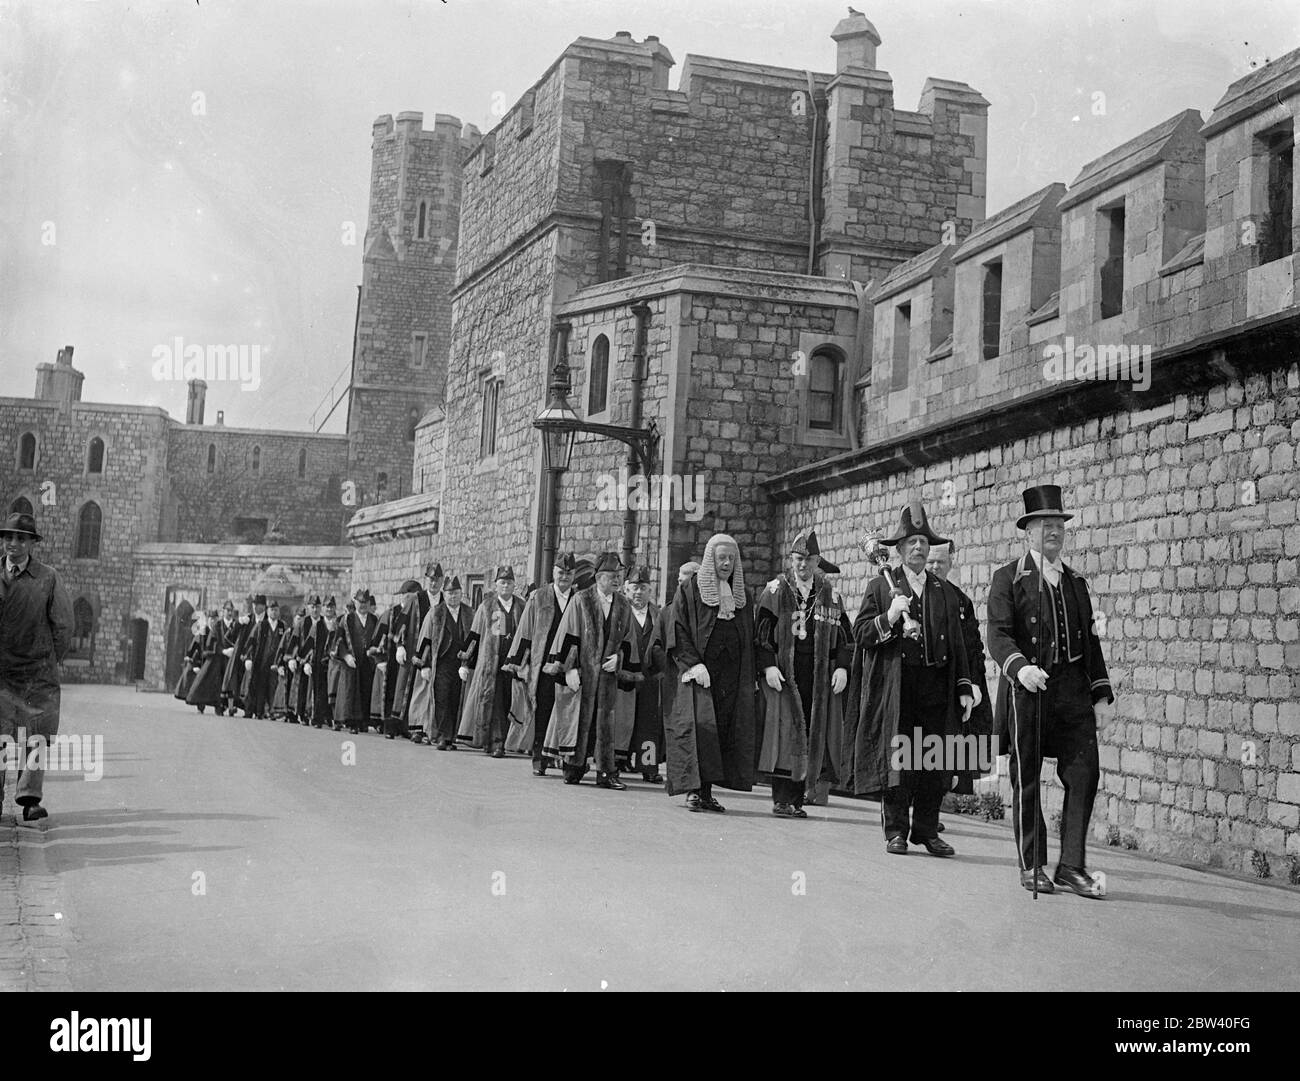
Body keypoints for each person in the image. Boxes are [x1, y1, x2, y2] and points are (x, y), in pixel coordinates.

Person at [987, 484, 1115, 897]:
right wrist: (1019, 668)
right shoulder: (1008, 578)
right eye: (1045, 525)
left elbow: (1091, 642)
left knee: (1085, 774)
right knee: (1027, 779)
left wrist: (1100, 694)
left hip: (1072, 695)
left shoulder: (1076, 583)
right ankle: (1033, 865)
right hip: (1028, 692)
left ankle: (1072, 867)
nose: (1054, 532)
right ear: (1028, 531)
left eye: (1059, 524)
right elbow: (998, 634)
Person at [847, 501, 973, 856]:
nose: (918, 548)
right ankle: (896, 831)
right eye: (911, 543)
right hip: (897, 687)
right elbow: (860, 634)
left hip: (936, 687)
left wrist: (964, 687)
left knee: (934, 761)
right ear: (899, 550)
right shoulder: (881, 586)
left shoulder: (945, 592)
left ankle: (927, 831)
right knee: (899, 762)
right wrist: (888, 617)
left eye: (922, 542)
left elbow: (959, 644)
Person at [755, 529, 852, 818]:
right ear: (791, 560)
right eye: (798, 559)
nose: (802, 566)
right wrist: (768, 664)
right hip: (785, 674)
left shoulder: (830, 594)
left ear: (817, 560)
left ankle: (799, 799)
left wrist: (843, 668)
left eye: (808, 560)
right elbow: (761, 633)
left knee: (811, 732)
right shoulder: (775, 590)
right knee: (785, 734)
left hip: (819, 675)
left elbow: (846, 637)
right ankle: (781, 799)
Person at [665, 534, 757, 812]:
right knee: (699, 729)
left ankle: (707, 792)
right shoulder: (690, 590)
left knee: (721, 732)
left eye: (731, 558)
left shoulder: (743, 595)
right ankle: (694, 791)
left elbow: (748, 637)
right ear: (710, 559)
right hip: (700, 673)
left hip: (730, 676)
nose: (726, 563)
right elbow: (677, 629)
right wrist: (693, 664)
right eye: (721, 558)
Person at [0, 512, 74, 823]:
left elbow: (64, 625)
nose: (13, 543)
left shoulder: (48, 578)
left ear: (31, 543)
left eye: (21, 538)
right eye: (8, 537)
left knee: (37, 736)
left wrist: (47, 659)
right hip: (1, 673)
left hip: (37, 673)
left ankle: (30, 799)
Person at [544, 552, 639, 789]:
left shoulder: (623, 605)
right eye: (612, 575)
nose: (617, 580)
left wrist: (619, 659)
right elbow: (568, 634)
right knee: (578, 719)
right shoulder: (581, 600)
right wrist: (569, 669)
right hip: (583, 674)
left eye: (619, 576)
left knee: (605, 721)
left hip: (607, 678)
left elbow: (628, 641)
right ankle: (573, 767)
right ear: (599, 577)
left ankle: (606, 772)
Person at [927, 542, 994, 802]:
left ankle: (935, 804)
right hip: (926, 683)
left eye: (940, 562)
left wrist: (974, 682)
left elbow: (973, 647)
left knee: (950, 749)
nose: (934, 567)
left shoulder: (961, 601)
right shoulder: (912, 594)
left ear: (950, 563)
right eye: (931, 561)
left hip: (956, 684)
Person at [503, 554, 575, 774]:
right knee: (543, 709)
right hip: (542, 664)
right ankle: (539, 758)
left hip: (568, 665)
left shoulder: (579, 599)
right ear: (553, 573)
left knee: (566, 712)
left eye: (569, 573)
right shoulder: (539, 597)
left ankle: (563, 758)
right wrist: (519, 664)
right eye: (560, 572)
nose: (564, 577)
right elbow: (525, 630)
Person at [457, 566, 526, 756]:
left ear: (514, 585)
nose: (506, 586)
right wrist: (465, 662)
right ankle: (496, 742)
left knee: (508, 702)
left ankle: (502, 740)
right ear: (496, 585)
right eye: (502, 582)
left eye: (509, 583)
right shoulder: (486, 606)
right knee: (493, 702)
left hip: (513, 664)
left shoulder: (521, 606)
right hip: (491, 664)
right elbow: (474, 635)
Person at [615, 564, 667, 783]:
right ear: (627, 589)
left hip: (650, 677)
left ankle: (649, 766)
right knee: (622, 720)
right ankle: (617, 761)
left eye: (643, 587)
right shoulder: (619, 612)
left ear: (650, 590)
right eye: (634, 587)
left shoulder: (658, 614)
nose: (638, 592)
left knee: (649, 722)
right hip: (625, 675)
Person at [413, 574, 474, 749]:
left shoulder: (469, 613)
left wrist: (468, 664)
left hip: (460, 664)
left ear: (461, 594)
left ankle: (451, 737)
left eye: (455, 593)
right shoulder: (435, 613)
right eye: (449, 593)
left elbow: (474, 639)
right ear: (444, 594)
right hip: (441, 663)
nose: (452, 596)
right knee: (441, 698)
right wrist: (424, 664)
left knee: (456, 699)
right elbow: (425, 640)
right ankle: (442, 736)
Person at [388, 580, 423, 739]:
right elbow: (399, 626)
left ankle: (411, 726)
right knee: (401, 688)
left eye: (406, 595)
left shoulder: (421, 604)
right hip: (405, 654)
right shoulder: (400, 609)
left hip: (421, 654)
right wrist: (400, 645)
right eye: (402, 595)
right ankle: (394, 726)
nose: (403, 598)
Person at [244, 597, 284, 719]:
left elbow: (285, 643)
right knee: (260, 686)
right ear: (267, 611)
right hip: (262, 661)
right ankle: (260, 711)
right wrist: (248, 657)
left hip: (275, 662)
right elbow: (251, 641)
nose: (274, 612)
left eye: (276, 610)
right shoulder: (261, 625)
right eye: (272, 610)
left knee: (273, 686)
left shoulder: (282, 626)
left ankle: (272, 711)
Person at [187, 607, 228, 714]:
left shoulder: (219, 630)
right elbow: (195, 647)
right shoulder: (203, 631)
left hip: (216, 662)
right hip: (204, 660)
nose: (213, 621)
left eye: (215, 619)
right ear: (208, 619)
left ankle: (218, 707)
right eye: (211, 618)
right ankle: (200, 705)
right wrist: (195, 663)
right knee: (202, 684)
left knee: (217, 685)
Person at [220, 595, 255, 715]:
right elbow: (230, 635)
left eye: (249, 607)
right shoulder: (238, 621)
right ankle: (228, 707)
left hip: (245, 655)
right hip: (233, 655)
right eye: (246, 607)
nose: (248, 609)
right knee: (231, 680)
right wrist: (239, 623)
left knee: (242, 682)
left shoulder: (253, 620)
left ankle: (245, 709)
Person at [175, 613, 205, 702]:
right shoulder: (198, 636)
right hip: (197, 660)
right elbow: (192, 648)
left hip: (204, 659)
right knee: (189, 675)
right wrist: (190, 657)